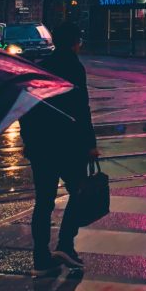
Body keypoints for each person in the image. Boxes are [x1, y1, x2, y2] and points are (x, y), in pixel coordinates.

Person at [20, 22, 97, 276]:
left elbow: (27, 108)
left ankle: (41, 257)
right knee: (79, 191)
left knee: (44, 202)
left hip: (41, 146)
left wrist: (28, 142)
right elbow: (81, 108)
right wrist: (90, 144)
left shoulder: (41, 66)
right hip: (68, 144)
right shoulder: (74, 67)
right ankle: (65, 243)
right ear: (75, 42)